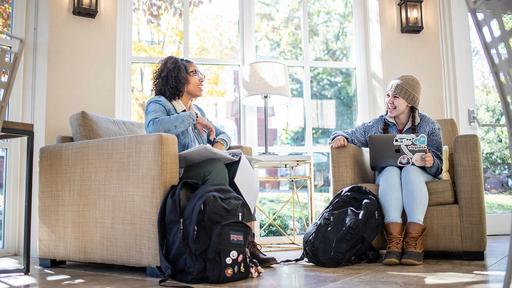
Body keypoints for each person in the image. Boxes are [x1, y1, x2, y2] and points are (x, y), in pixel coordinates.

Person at [144, 56, 277, 269]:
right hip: (180, 175)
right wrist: (191, 118)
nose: (201, 78)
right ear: (178, 77)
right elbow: (154, 128)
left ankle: (247, 242)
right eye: (194, 73)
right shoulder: (160, 104)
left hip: (205, 166)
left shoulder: (200, 111)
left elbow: (223, 135)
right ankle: (220, 244)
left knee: (242, 166)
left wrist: (218, 148)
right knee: (215, 168)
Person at [329, 75, 442, 266]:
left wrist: (430, 160)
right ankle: (394, 243)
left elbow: (439, 165)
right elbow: (347, 133)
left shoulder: (429, 126)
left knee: (409, 171)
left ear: (410, 101)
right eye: (388, 95)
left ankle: (414, 242)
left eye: (396, 97)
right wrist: (339, 137)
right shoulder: (376, 124)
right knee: (390, 171)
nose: (389, 101)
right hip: (389, 176)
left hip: (419, 174)